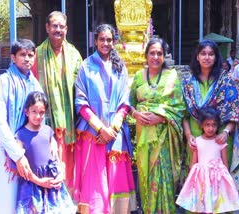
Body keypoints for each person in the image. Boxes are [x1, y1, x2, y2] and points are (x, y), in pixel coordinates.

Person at [73, 24, 136, 213]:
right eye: (102, 39)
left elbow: (125, 101)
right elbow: (80, 102)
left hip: (115, 136)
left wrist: (113, 129)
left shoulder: (120, 67)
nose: (105, 43)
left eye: (109, 39)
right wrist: (102, 129)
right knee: (95, 182)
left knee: (116, 181)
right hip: (94, 135)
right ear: (95, 41)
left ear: (114, 41)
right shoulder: (86, 66)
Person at [182, 40, 239, 192]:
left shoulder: (226, 81)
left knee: (220, 184)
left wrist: (226, 132)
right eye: (203, 54)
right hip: (195, 140)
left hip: (220, 139)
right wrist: (188, 136)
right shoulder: (187, 82)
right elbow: (184, 115)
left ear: (216, 57)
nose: (207, 57)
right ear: (197, 57)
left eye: (211, 54)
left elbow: (236, 111)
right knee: (196, 184)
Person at [129, 38, 186, 213]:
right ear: (146, 55)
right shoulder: (138, 76)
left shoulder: (172, 77)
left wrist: (160, 118)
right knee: (146, 180)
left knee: (164, 180)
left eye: (159, 53)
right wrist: (136, 114)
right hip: (144, 137)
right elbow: (128, 104)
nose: (155, 57)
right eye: (152, 53)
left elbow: (180, 107)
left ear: (164, 56)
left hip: (165, 139)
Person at [0, 39, 43, 213]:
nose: (27, 59)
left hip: (30, 149)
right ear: (13, 58)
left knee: (31, 201)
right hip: (8, 152)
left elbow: (41, 118)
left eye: (30, 55)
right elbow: (0, 122)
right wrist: (17, 155)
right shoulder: (3, 83)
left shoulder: (35, 84)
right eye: (22, 55)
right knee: (7, 201)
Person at [32, 11, 83, 189]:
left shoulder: (74, 55)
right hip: (45, 122)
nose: (58, 30)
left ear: (66, 29)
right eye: (54, 26)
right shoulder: (37, 55)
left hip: (70, 123)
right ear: (47, 28)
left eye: (61, 26)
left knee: (69, 166)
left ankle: (67, 204)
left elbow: (82, 88)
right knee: (47, 163)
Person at [15, 91, 77, 213]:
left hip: (51, 183)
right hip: (32, 185)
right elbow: (22, 168)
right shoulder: (20, 135)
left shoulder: (48, 131)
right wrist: (38, 181)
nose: (38, 116)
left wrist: (59, 175)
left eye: (41, 112)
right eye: (34, 111)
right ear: (26, 111)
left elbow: (56, 158)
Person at [176, 107, 239, 213]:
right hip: (201, 179)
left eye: (214, 125)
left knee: (215, 204)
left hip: (217, 179)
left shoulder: (221, 142)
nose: (210, 128)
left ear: (218, 126)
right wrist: (190, 179)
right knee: (200, 203)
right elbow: (193, 163)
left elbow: (225, 164)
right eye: (207, 125)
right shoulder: (197, 141)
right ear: (201, 125)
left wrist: (228, 182)